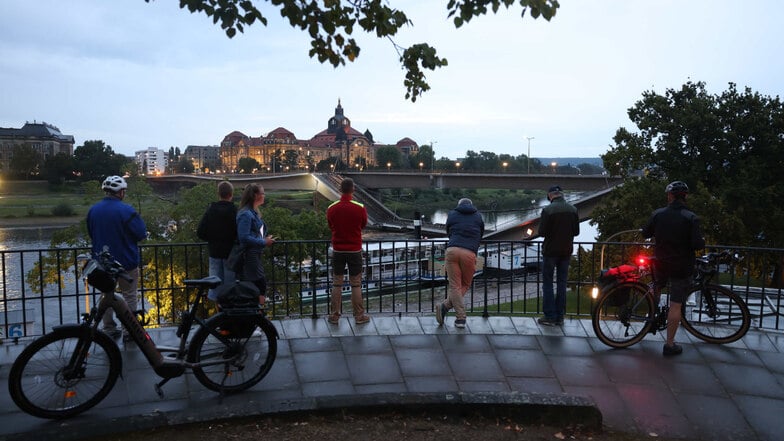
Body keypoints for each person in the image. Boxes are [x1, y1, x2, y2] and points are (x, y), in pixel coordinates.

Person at [641, 180, 705, 356]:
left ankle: (651, 320)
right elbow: (697, 244)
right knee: (675, 305)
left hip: (660, 261)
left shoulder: (658, 214)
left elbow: (645, 233)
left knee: (656, 287)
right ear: (685, 197)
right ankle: (670, 344)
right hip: (681, 265)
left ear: (670, 196)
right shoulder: (691, 217)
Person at [86, 175, 148, 340]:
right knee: (129, 295)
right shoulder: (126, 210)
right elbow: (141, 234)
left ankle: (108, 329)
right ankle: (130, 330)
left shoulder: (93, 210)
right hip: (126, 261)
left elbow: (91, 233)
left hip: (102, 263)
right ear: (120, 192)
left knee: (107, 295)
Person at [436, 198, 484, 329]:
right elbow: (481, 234)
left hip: (452, 250)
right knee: (466, 284)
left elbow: (448, 231)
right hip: (469, 252)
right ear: (471, 205)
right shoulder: (478, 216)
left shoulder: (452, 214)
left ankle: (446, 308)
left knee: (455, 285)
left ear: (459, 205)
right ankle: (459, 317)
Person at [326, 178, 370, 325]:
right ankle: (359, 316)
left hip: (338, 250)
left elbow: (331, 226)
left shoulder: (332, 208)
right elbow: (363, 225)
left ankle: (334, 315)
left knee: (337, 283)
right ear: (353, 189)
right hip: (354, 250)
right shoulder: (359, 207)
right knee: (356, 284)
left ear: (340, 190)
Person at [538, 185, 579, 326]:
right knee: (562, 284)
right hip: (566, 251)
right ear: (561, 194)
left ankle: (549, 316)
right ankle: (560, 316)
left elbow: (542, 232)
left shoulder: (547, 210)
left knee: (548, 283)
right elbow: (576, 232)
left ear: (550, 196)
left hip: (550, 252)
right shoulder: (573, 209)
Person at [197, 181, 238, 301]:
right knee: (230, 287)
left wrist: (212, 239)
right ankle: (229, 313)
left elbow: (200, 232)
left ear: (218, 194)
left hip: (214, 252)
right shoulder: (234, 211)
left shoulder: (211, 210)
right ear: (231, 194)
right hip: (230, 253)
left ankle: (218, 314)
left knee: (215, 287)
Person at [236, 183, 275, 305]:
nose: (264, 195)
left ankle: (256, 314)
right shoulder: (246, 214)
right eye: (262, 193)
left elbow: (253, 233)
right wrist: (263, 241)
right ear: (254, 195)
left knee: (258, 285)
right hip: (250, 256)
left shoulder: (252, 212)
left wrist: (264, 238)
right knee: (259, 284)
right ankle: (256, 314)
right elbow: (244, 237)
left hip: (255, 255)